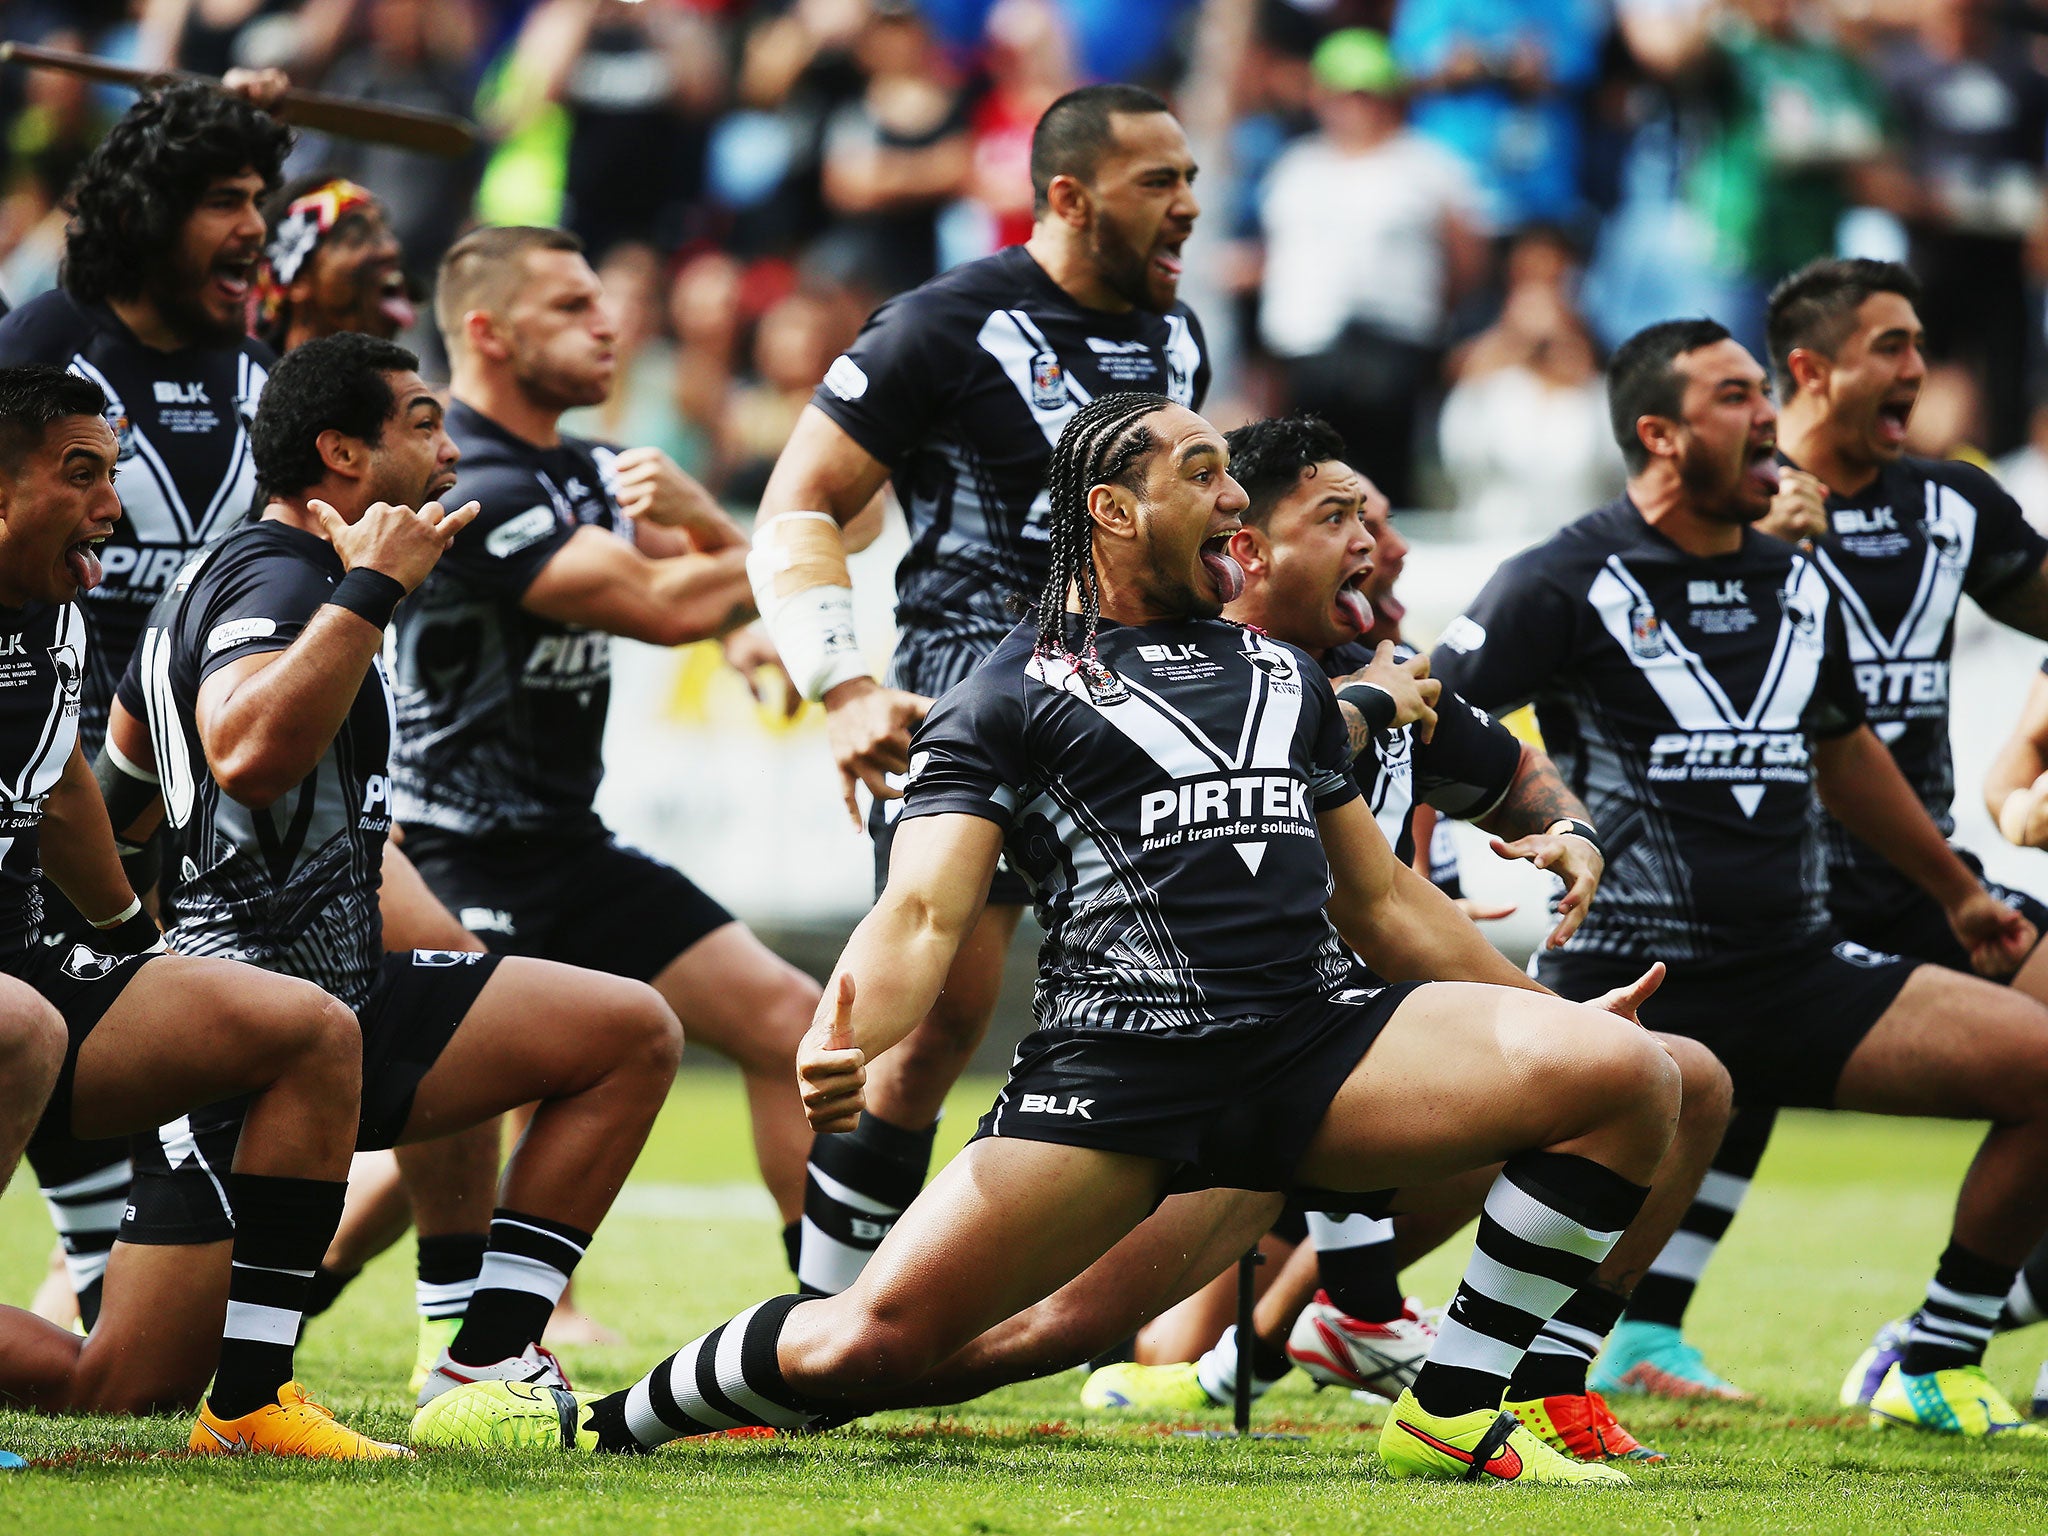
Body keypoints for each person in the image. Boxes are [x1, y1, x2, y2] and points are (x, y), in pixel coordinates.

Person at [417, 390, 1685, 1488]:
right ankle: (598, 1432)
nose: (1232, 495)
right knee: (868, 1345)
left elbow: (1383, 907)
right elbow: (920, 910)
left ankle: (1450, 1409)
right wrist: (852, 1022)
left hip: (1311, 1052)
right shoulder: (1004, 696)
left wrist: (1546, 1018)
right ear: (1113, 513)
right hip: (1112, 1084)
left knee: (1630, 1077)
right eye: (1199, 472)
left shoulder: (1288, 680)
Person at [1076, 413, 1734, 1464]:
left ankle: (1519, 1372)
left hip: (1333, 1059)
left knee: (1673, 1077)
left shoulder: (1373, 676)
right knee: (1020, 1336)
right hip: (1188, 1083)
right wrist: (1360, 715)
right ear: (1245, 546)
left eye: (1372, 518)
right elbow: (1317, 845)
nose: (1381, 545)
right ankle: (1282, 1334)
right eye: (1339, 516)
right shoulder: (1201, 671)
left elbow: (1503, 777)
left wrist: (1559, 829)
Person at [1432, 317, 2048, 1439]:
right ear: (1659, 434)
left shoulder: (1790, 577)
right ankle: (1307, 1324)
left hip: (1797, 969)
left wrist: (1955, 892)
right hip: (1625, 974)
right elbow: (1423, 716)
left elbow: (1840, 749)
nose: (1766, 413)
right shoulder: (1561, 576)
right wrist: (1424, 878)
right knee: (1377, 1186)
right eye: (1732, 396)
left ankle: (1937, 1349)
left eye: (1762, 391)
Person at [98, 332, 684, 1413]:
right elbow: (247, 754)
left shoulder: (229, 576)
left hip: (337, 1001)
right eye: (422, 423)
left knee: (626, 1030)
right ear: (342, 454)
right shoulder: (285, 577)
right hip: (254, 1033)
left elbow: (121, 786)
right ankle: (265, 1394)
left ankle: (488, 1357)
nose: (452, 448)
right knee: (121, 1389)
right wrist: (369, 587)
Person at [745, 82, 1211, 1299]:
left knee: (1214, 992)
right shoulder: (943, 324)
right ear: (1068, 196)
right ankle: (821, 1325)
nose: (1189, 207)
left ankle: (1195, 1332)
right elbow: (797, 501)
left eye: (1190, 178)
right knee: (932, 1028)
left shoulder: (1178, 339)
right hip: (975, 698)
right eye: (1157, 183)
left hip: (1133, 707)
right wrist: (840, 681)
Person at [386, 225, 820, 1289]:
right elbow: (661, 603)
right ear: (486, 331)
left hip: (568, 847)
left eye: (602, 301)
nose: (610, 323)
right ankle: (238, 1313)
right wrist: (813, 529)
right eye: (572, 308)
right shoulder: (466, 472)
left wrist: (729, 591)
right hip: (451, 854)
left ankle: (832, 1319)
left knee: (795, 1029)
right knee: (440, 1130)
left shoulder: (590, 467)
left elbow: (705, 588)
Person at [0, 362, 403, 1457]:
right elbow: (247, 755)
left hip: (26, 964)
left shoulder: (56, 615)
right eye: (80, 475)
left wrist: (136, 941)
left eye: (113, 477)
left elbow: (67, 784)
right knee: (16, 1028)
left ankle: (247, 1404)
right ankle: (483, 1337)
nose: (111, 508)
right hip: (13, 1010)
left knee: (311, 1030)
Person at [0, 80, 288, 1328]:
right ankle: (109, 1287)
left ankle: (167, 1314)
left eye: (261, 201)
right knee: (48, 1021)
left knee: (320, 1010)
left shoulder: (258, 375)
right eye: (224, 200)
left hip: (207, 781)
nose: (256, 229)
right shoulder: (34, 349)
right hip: (72, 769)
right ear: (149, 208)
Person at [1741, 258, 2048, 1412]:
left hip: (1924, 879)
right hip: (1760, 889)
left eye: (1918, 344)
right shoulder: (1735, 506)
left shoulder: (1951, 503)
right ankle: (1321, 1313)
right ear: (1812, 369)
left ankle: (1937, 1348)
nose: (1916, 370)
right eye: (1890, 346)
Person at [254, 174, 418, 354]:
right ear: (299, 281)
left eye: (387, 234)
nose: (391, 249)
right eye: (357, 238)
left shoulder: (404, 381)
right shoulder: (249, 378)